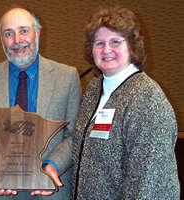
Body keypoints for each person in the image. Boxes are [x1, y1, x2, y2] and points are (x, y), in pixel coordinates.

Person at [0, 7, 82, 200]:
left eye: (24, 31)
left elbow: (75, 135)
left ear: (37, 33)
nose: (17, 40)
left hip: (51, 189)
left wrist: (53, 166)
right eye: (8, 34)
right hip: (0, 190)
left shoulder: (68, 77)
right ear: (1, 39)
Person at [68, 6, 179, 200]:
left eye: (115, 42)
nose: (106, 49)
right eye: (99, 43)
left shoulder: (147, 98)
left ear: (132, 47)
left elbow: (147, 183)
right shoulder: (94, 91)